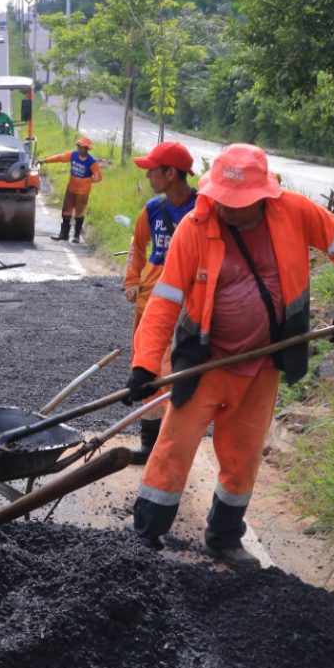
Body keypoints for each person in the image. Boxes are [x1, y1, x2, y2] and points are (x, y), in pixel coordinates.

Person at [125, 143, 334, 570]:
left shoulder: (296, 213)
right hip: (205, 360)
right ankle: (144, 533)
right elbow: (164, 301)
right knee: (173, 445)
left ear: (263, 196)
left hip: (262, 364)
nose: (227, 208)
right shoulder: (195, 226)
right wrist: (145, 364)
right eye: (222, 199)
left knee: (242, 453)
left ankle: (223, 537)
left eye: (237, 203)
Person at [121, 141, 199, 466]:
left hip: (186, 308)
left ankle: (172, 447)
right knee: (146, 370)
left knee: (174, 373)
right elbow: (137, 247)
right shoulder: (153, 209)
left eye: (153, 170)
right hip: (149, 303)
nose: (149, 175)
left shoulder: (203, 210)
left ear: (171, 173)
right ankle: (149, 445)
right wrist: (131, 280)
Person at [43, 135, 103, 242]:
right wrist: (46, 160)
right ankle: (63, 234)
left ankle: (76, 236)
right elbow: (60, 158)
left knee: (79, 213)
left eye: (81, 146)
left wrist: (88, 181)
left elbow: (98, 177)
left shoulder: (92, 162)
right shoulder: (73, 155)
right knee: (66, 212)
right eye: (78, 146)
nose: (79, 148)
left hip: (83, 192)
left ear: (86, 149)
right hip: (71, 189)